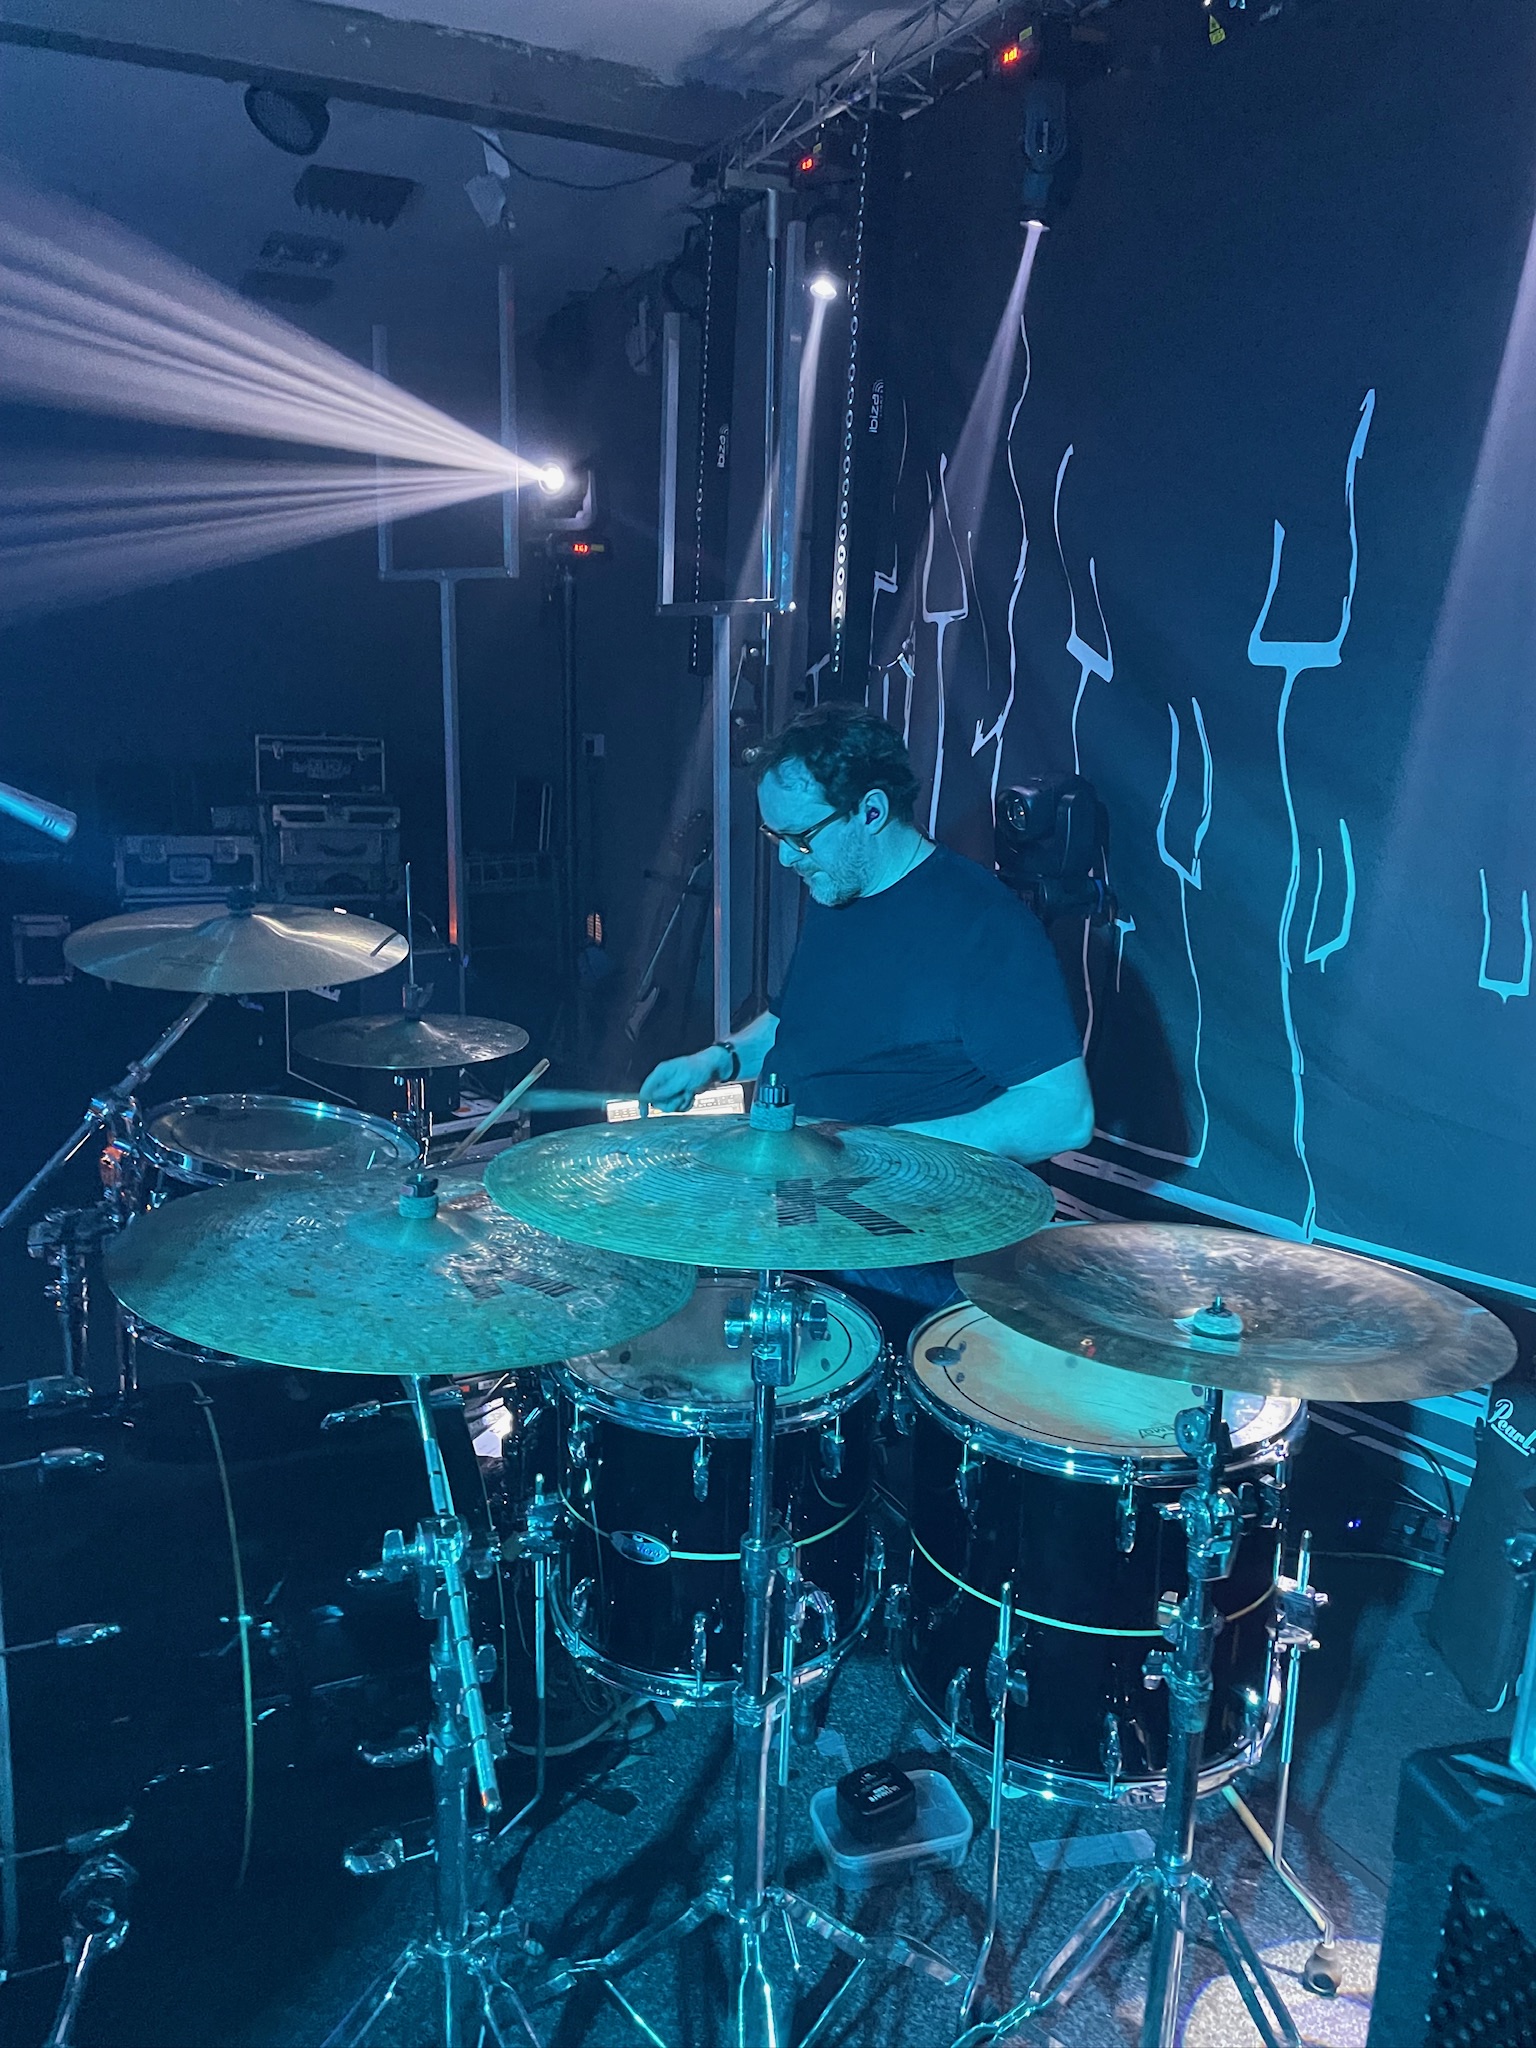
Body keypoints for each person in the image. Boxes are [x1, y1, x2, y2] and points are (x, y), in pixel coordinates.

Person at [639, 703, 1094, 1341]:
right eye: (776, 839)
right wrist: (717, 1058)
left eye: (800, 838)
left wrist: (882, 1154)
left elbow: (1062, 1112)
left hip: (894, 1230)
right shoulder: (840, 888)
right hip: (801, 1195)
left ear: (872, 813)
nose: (787, 859)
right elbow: (792, 1020)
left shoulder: (983, 927)